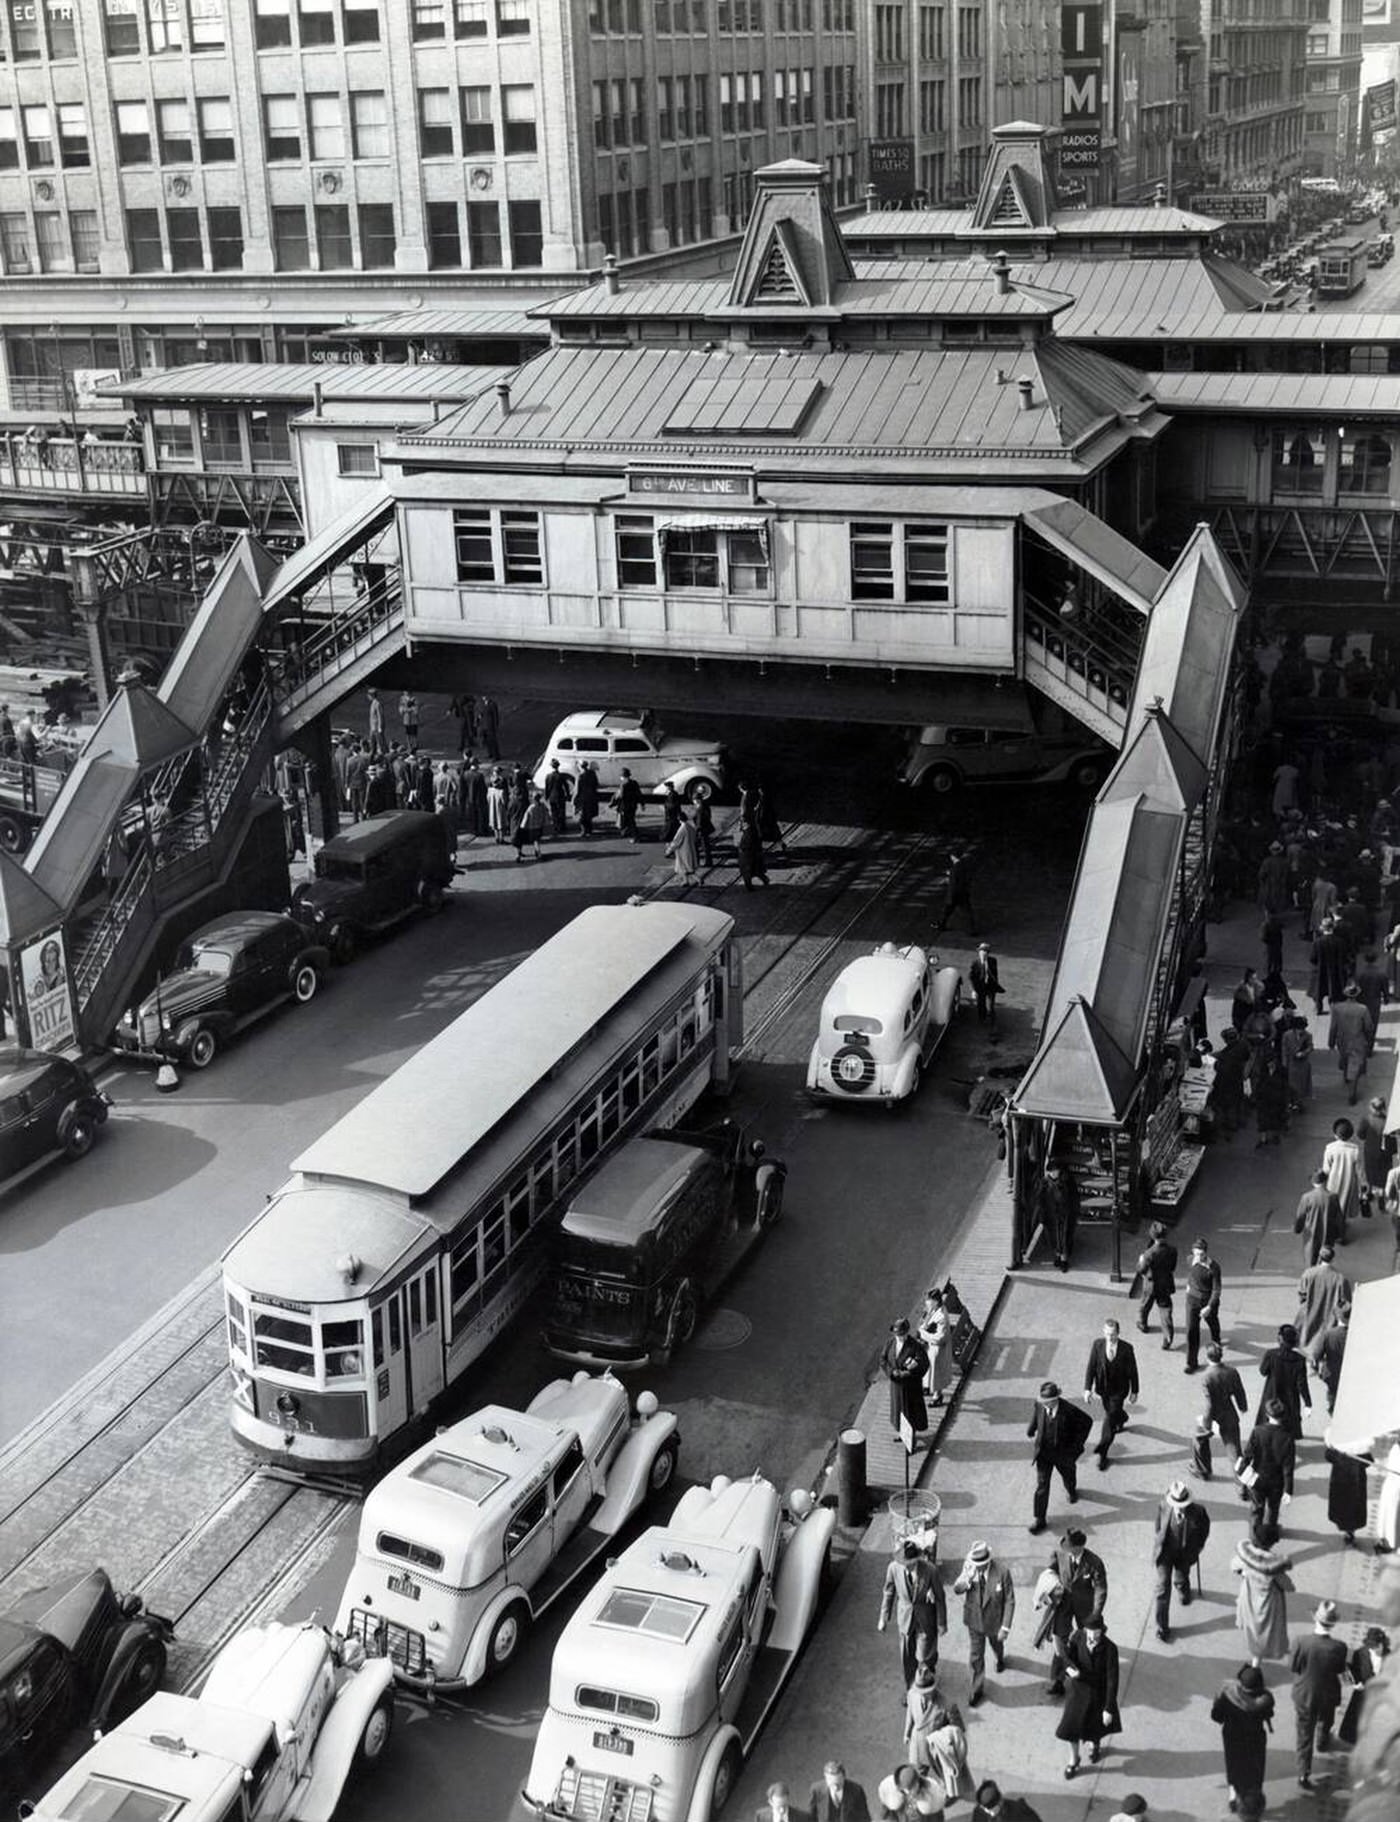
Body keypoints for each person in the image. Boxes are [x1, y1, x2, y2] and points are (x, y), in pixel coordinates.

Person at [1054, 1614, 1121, 1779]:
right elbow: (1066, 1656)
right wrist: (1069, 1669)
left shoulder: (1110, 1649)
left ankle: (1094, 1744)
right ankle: (1074, 1759)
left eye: (1096, 1632)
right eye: (1090, 1632)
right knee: (1070, 1729)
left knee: (1095, 1726)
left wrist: (1108, 1708)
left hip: (1098, 1692)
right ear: (1085, 1630)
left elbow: (1112, 1680)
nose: (1092, 1636)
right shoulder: (1078, 1637)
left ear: (1102, 1631)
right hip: (1077, 1692)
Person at [1292, 1600, 1348, 1790]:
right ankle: (1323, 1742)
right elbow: (1340, 1669)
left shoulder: (1301, 1641)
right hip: (1328, 1693)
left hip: (1305, 1693)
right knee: (1325, 1720)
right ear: (1332, 1624)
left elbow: (1293, 1666)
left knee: (1303, 1733)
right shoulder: (1339, 1647)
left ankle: (1303, 1772)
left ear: (1315, 1619)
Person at [1045, 1527, 1108, 1694]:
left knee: (1087, 1643)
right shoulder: (1060, 1555)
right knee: (1059, 1640)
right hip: (1063, 1603)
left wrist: (1096, 1612)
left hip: (1085, 1607)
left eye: (1070, 1547)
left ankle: (1088, 1677)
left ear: (1079, 1547)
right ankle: (1057, 1680)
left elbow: (1101, 1589)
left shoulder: (1094, 1563)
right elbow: (1049, 1572)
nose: (1067, 1550)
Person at [951, 1541, 1014, 1706]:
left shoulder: (1002, 1572)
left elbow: (1009, 1600)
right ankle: (976, 1689)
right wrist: (966, 1581)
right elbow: (957, 1589)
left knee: (997, 1645)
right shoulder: (969, 1569)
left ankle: (1000, 1658)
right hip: (975, 1621)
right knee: (976, 1655)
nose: (977, 1567)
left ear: (988, 1561)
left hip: (995, 1622)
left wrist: (1005, 1627)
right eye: (975, 1564)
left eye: (981, 1565)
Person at [1026, 1382, 1092, 1535]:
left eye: (1046, 1402)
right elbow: (1037, 1415)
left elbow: (1087, 1422)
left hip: (1063, 1454)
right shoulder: (1040, 1404)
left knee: (1068, 1475)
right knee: (1042, 1486)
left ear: (1055, 1400)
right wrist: (1031, 1429)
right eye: (1042, 1402)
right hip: (1044, 1454)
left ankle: (1071, 1490)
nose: (1043, 1404)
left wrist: (1076, 1446)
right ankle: (1040, 1519)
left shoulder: (1069, 1410)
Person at [1211, 1664, 1275, 1821]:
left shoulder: (1228, 1695)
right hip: (1255, 1739)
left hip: (1232, 1737)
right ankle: (1253, 1801)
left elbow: (1216, 1716)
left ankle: (1234, 1796)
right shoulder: (1265, 1700)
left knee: (1234, 1766)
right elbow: (1269, 1713)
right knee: (1255, 1770)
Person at [878, 1539, 946, 1687]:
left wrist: (941, 1623)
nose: (907, 1567)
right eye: (904, 1563)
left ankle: (926, 1687)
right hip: (905, 1619)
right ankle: (910, 1689)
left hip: (925, 1618)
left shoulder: (930, 1570)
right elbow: (889, 1592)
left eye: (910, 1563)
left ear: (917, 1559)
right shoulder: (893, 1568)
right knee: (907, 1657)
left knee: (924, 1656)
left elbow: (940, 1598)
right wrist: (884, 1617)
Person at [1152, 1479, 1211, 1643]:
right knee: (1162, 1588)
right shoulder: (1164, 1505)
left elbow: (1204, 1532)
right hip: (1165, 1553)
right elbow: (1158, 1525)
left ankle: (1183, 1589)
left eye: (1183, 1504)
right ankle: (1162, 1627)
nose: (1180, 1507)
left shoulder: (1199, 1512)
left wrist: (1198, 1547)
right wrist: (1159, 1540)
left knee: (1181, 1576)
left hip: (1185, 1554)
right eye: (1177, 1504)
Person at [1238, 1398, 1297, 1546]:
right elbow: (1288, 1468)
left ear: (1267, 1415)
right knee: (1272, 1510)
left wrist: (1243, 1474)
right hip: (1276, 1483)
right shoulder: (1288, 1438)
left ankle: (1254, 1539)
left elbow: (1247, 1455)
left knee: (1256, 1509)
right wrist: (1288, 1490)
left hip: (1257, 1479)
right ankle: (1267, 1540)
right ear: (1282, 1416)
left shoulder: (1258, 1432)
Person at [1083, 1317, 1138, 1470]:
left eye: (1113, 1334)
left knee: (1109, 1418)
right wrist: (1088, 1388)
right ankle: (1122, 1417)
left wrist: (1135, 1391)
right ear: (1103, 1332)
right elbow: (1091, 1367)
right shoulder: (1097, 1345)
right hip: (1103, 1389)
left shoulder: (1127, 1348)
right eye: (1107, 1334)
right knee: (1112, 1412)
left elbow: (1133, 1371)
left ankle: (1102, 1451)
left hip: (1119, 1391)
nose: (1110, 1337)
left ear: (1118, 1333)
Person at [1232, 1534, 1294, 1665]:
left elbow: (1234, 1566)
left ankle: (1256, 1657)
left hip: (1249, 1597)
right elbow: (1289, 1587)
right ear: (1271, 1544)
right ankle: (1257, 1661)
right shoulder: (1274, 1568)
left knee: (1253, 1628)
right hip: (1269, 1604)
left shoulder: (1247, 1558)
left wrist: (1244, 1573)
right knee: (1267, 1630)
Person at [1200, 1342, 1249, 1473]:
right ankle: (1242, 1481)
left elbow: (1209, 1404)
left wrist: (1207, 1423)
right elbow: (1239, 1391)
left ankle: (1202, 1469)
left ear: (1207, 1357)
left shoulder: (1206, 1376)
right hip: (1228, 1413)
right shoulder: (1232, 1372)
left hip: (1212, 1415)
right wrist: (1242, 1406)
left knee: (1199, 1440)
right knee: (1234, 1451)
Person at [1297, 1247, 1352, 1362]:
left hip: (1311, 1313)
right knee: (1324, 1338)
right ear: (1333, 1259)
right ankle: (1319, 1359)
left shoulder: (1309, 1273)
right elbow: (1346, 1303)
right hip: (1330, 1316)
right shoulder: (1340, 1279)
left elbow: (1302, 1295)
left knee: (1309, 1335)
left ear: (1319, 1257)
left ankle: (1311, 1358)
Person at [1257, 1323, 1312, 1440]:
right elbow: (1302, 1384)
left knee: (1268, 1420)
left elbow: (1263, 1371)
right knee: (1287, 1424)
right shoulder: (1300, 1360)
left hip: (1272, 1393)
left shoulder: (1271, 1354)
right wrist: (1308, 1403)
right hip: (1290, 1398)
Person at [1342, 1627, 1392, 1749]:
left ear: (1383, 1644)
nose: (1373, 1649)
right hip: (1361, 1694)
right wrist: (1355, 1683)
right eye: (1371, 1646)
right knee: (1355, 1721)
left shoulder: (1391, 1657)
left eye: (1376, 1646)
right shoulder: (1360, 1653)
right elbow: (1351, 1672)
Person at [1330, 981, 1375, 1105]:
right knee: (1354, 1067)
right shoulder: (1363, 1009)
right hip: (1358, 1041)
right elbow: (1369, 1027)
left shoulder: (1337, 1008)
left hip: (1342, 1040)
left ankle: (1346, 1078)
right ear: (1356, 995)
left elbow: (1333, 1026)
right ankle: (1352, 1094)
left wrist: (1331, 1041)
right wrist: (1370, 1041)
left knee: (1345, 1059)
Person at [1135, 1220, 1178, 1348]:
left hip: (1151, 1284)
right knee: (1165, 1309)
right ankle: (1168, 1336)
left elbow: (1141, 1270)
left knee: (1145, 1305)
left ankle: (1143, 1324)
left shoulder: (1149, 1254)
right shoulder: (1172, 1250)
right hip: (1165, 1283)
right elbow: (1172, 1267)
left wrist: (1140, 1261)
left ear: (1153, 1236)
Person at [1182, 1238, 1222, 1374]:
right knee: (1191, 1331)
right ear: (1193, 1252)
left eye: (1201, 1254)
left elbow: (1217, 1290)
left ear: (1206, 1253)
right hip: (1192, 1301)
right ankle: (1191, 1362)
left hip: (1207, 1302)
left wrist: (1209, 1307)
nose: (1198, 1257)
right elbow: (1192, 1275)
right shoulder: (1190, 1260)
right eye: (1196, 1254)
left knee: (1213, 1324)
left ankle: (1216, 1343)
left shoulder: (1214, 1268)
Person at [1323, 1115, 1364, 1240]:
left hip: (1333, 1182)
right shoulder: (1355, 1150)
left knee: (1333, 1207)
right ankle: (1342, 1233)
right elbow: (1359, 1170)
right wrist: (1363, 1185)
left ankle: (1332, 1232)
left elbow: (1326, 1169)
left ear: (1336, 1134)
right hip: (1348, 1182)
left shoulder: (1330, 1148)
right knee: (1344, 1206)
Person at [1294, 1167, 1342, 1267]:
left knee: (1310, 1257)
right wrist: (1339, 1234)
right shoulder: (1333, 1197)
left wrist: (1297, 1229)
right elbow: (1339, 1218)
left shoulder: (1307, 1197)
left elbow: (1300, 1216)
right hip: (1328, 1233)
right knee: (1325, 1258)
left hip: (1311, 1233)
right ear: (1325, 1181)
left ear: (1313, 1183)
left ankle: (1312, 1274)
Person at [1037, 1163, 1079, 1273]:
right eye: (1051, 1171)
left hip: (1065, 1215)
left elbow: (1074, 1198)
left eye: (1055, 1170)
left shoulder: (1066, 1181)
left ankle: (1064, 1260)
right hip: (1051, 1215)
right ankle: (1057, 1256)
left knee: (1064, 1237)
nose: (1053, 1173)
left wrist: (1074, 1212)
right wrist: (1042, 1214)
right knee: (1053, 1237)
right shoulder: (1045, 1183)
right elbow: (1040, 1200)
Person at [1326, 1439, 1368, 1546]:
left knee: (1342, 1505)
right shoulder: (1362, 1439)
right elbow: (1368, 1461)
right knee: (1355, 1507)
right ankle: (1351, 1531)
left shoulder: (1337, 1437)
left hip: (1340, 1478)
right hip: (1357, 1480)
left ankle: (1347, 1530)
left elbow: (1329, 1456)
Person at [918, 1287, 953, 1409]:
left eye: (929, 1300)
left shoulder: (942, 1317)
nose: (926, 1302)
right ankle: (927, 1387)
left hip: (938, 1349)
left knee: (936, 1373)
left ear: (936, 1301)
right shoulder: (934, 1309)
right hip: (931, 1347)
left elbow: (940, 1338)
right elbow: (927, 1320)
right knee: (928, 1369)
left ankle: (937, 1396)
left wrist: (923, 1334)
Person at [1316, 1301, 1350, 1416]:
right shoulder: (1356, 1333)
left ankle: (1333, 1412)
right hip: (1350, 1374)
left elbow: (1317, 1355)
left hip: (1332, 1373)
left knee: (1333, 1395)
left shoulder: (1329, 1334)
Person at [875, 1764, 943, 1819]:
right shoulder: (892, 1793)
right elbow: (888, 1812)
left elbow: (935, 1814)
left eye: (909, 1789)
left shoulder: (930, 1798)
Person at [934, 848, 975, 934]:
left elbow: (953, 883)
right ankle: (972, 930)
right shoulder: (962, 866)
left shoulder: (955, 868)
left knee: (947, 911)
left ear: (953, 857)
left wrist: (947, 879)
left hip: (954, 895)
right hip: (963, 893)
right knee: (967, 912)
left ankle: (941, 926)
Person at [1282, 1013, 1314, 1111]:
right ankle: (1291, 1101)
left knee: (1302, 1084)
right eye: (1300, 1028)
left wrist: (1303, 1053)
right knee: (1291, 1084)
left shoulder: (1308, 1035)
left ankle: (1298, 1102)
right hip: (1291, 1063)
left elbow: (1310, 1047)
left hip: (1303, 1064)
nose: (1302, 1030)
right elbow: (1284, 1050)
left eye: (1303, 1028)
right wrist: (1284, 1063)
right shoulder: (1287, 1035)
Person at [969, 942, 1001, 1036]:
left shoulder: (993, 961)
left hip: (990, 987)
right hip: (980, 988)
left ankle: (993, 1026)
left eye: (986, 952)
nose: (984, 953)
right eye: (982, 951)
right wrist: (974, 990)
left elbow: (995, 974)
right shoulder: (975, 963)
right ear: (979, 953)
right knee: (981, 1005)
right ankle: (982, 1018)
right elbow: (971, 977)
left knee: (991, 1007)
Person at [970, 1782, 1042, 1822]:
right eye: (985, 1809)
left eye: (992, 1810)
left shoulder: (1021, 1813)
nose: (988, 1813)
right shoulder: (979, 1813)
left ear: (1000, 1801)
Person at [666, 810, 701, 887]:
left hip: (683, 851)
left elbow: (676, 841)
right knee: (684, 868)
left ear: (679, 819)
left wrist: (669, 850)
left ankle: (699, 880)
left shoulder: (682, 829)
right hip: (690, 849)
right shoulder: (690, 827)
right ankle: (685, 882)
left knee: (687, 868)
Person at [513, 789, 548, 861]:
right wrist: (546, 822)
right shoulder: (543, 806)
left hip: (532, 827)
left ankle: (538, 852)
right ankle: (538, 852)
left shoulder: (531, 808)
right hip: (539, 826)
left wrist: (523, 826)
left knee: (534, 840)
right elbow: (546, 814)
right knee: (537, 840)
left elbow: (526, 817)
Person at [543, 758, 573, 836]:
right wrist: (568, 795)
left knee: (554, 812)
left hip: (552, 796)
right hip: (560, 795)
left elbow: (547, 788)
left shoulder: (548, 776)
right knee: (561, 811)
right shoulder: (561, 776)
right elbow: (566, 786)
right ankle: (562, 826)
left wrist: (546, 796)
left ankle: (555, 826)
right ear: (558, 767)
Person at [738, 816, 769, 889]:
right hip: (747, 852)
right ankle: (751, 884)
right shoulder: (747, 830)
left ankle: (751, 885)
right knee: (752, 869)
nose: (741, 823)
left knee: (751, 869)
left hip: (749, 852)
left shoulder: (751, 830)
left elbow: (752, 842)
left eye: (743, 822)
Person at [615, 767, 642, 842]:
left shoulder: (623, 785)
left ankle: (635, 836)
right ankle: (628, 833)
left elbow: (621, 796)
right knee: (631, 820)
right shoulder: (634, 783)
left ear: (622, 776)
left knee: (629, 822)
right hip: (633, 806)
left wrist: (613, 802)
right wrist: (642, 804)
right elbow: (639, 794)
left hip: (625, 806)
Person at [575, 760, 599, 838]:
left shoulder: (580, 776)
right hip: (591, 796)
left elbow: (578, 789)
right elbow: (596, 784)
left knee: (582, 815)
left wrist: (575, 798)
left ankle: (584, 831)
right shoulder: (592, 773)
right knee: (589, 814)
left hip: (583, 797)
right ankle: (590, 829)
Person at [366, 686, 384, 755]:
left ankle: (381, 755)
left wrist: (380, 727)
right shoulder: (372, 703)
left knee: (380, 744)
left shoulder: (377, 704)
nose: (368, 697)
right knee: (372, 744)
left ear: (372, 695)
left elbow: (380, 716)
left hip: (376, 728)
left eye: (369, 695)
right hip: (373, 728)